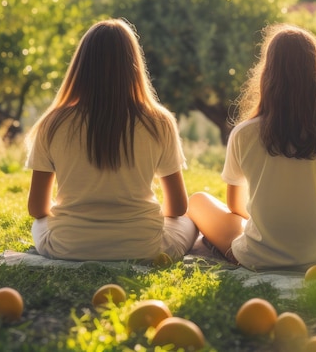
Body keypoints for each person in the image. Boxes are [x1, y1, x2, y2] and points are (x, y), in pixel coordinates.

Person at [187, 23, 316, 270]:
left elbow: (234, 206)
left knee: (198, 201)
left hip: (257, 256)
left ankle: (250, 248)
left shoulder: (243, 134)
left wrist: (270, 220)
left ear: (266, 75)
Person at [26, 19, 197, 262]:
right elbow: (178, 207)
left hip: (68, 246)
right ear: (134, 65)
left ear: (80, 66)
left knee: (40, 223)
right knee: (189, 222)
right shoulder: (159, 121)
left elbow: (37, 209)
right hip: (143, 247)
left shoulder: (52, 123)